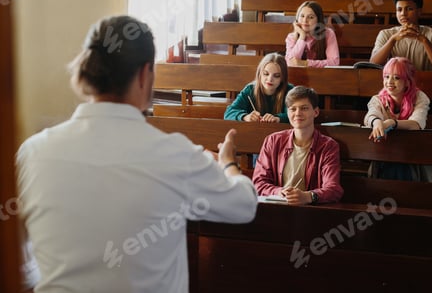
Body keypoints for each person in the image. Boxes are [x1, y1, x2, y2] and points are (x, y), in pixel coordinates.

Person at [16, 15, 258, 293]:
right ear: (145, 74)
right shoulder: (175, 155)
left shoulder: (32, 152)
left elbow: (20, 258)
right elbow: (244, 205)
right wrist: (227, 163)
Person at [252, 86, 344, 205]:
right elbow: (258, 182)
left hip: (310, 210)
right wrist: (280, 192)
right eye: (293, 109)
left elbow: (333, 188)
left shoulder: (328, 146)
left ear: (316, 112)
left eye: (304, 108)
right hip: (276, 205)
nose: (297, 113)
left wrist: (308, 196)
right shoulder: (273, 140)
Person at [363, 57, 432, 182]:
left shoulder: (420, 97)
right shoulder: (377, 99)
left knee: (401, 161)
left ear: (408, 82)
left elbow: (417, 124)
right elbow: (371, 115)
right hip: (384, 156)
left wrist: (391, 123)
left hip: (413, 157)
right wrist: (376, 123)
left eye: (397, 78)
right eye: (387, 77)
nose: (390, 82)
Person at [370, 0, 432, 71]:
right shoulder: (386, 34)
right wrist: (392, 40)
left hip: (425, 82)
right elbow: (373, 64)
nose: (403, 14)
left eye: (409, 9)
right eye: (399, 10)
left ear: (419, 12)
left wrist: (423, 40)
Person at [224, 52, 294, 123]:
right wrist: (245, 117)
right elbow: (228, 113)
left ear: (282, 78)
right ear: (259, 74)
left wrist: (278, 118)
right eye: (266, 74)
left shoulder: (290, 91)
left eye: (276, 76)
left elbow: (295, 114)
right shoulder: (250, 89)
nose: (270, 79)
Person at [285, 1, 340, 68]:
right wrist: (302, 37)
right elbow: (290, 62)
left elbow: (334, 62)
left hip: (322, 75)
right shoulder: (291, 37)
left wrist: (306, 63)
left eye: (310, 17)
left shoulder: (328, 34)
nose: (305, 20)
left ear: (318, 20)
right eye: (302, 16)